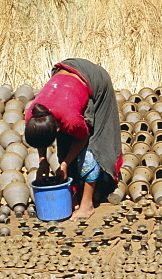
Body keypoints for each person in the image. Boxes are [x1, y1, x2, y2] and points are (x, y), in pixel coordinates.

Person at [24, 59, 122, 220]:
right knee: (65, 145)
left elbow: (83, 138)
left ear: (56, 129)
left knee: (93, 149)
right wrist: (42, 161)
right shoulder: (33, 114)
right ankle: (74, 190)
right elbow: (40, 138)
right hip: (66, 80)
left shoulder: (70, 119)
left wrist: (64, 164)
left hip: (93, 79)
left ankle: (87, 205)